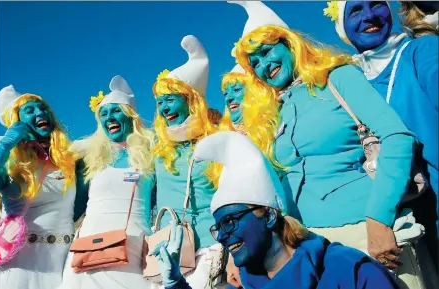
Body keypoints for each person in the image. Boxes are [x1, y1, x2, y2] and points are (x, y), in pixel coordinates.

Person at [230, 1, 423, 288]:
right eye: (254, 63)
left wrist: (379, 219)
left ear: (290, 44)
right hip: (311, 246)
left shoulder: (337, 78)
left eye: (268, 51)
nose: (263, 65)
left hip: (368, 233)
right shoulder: (273, 113)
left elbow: (396, 137)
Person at [151, 131, 401, 289]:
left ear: (269, 215)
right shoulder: (244, 284)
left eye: (230, 221)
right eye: (218, 227)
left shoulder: (349, 270)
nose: (223, 236)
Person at [324, 1, 438, 284]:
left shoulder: (422, 52)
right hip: (406, 223)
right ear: (342, 28)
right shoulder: (351, 81)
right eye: (355, 10)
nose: (369, 16)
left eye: (377, 4)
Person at [58, 75, 155, 289]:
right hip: (87, 251)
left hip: (133, 248)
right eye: (103, 113)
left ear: (130, 114)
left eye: (115, 111)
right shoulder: (90, 159)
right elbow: (73, 208)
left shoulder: (152, 153)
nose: (109, 117)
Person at [151, 35, 226, 289]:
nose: (163, 109)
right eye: (160, 103)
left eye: (170, 99)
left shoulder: (219, 139)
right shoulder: (159, 150)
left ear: (191, 99)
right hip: (167, 254)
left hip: (212, 248)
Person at [0, 85, 84, 289]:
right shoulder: (9, 162)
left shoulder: (69, 160)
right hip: (20, 265)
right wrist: (9, 141)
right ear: (17, 122)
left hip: (62, 262)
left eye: (42, 108)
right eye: (30, 110)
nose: (40, 113)